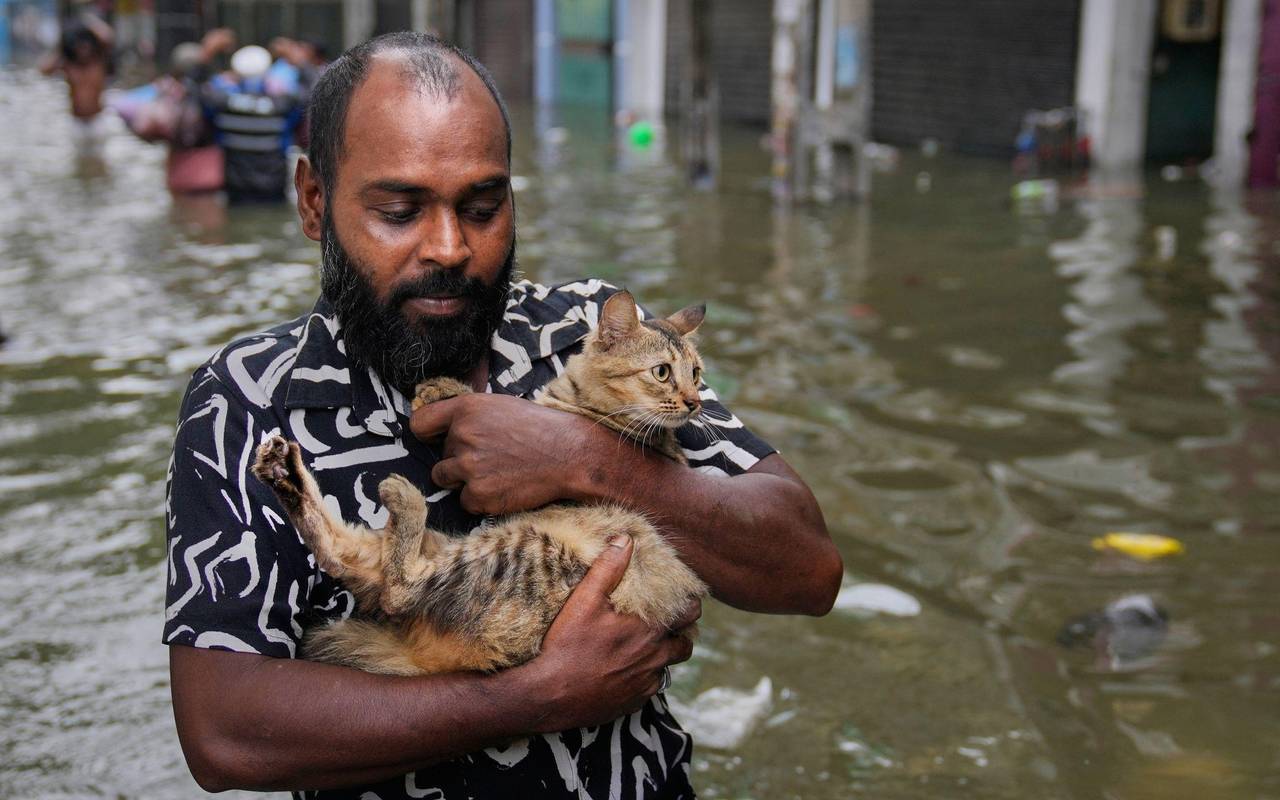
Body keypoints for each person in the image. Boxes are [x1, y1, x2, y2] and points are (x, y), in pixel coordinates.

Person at [164, 31, 841, 799]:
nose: (450, 247)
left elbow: (809, 571)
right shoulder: (248, 397)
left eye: (483, 207)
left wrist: (586, 459)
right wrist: (533, 697)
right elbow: (224, 732)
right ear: (315, 202)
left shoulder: (585, 331)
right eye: (399, 210)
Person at [198, 38, 307, 203]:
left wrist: (206, 53)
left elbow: (196, 89)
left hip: (236, 189)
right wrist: (299, 61)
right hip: (274, 188)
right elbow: (314, 92)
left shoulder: (222, 104)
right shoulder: (283, 105)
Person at [39, 11, 114, 157]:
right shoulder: (68, 65)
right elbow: (43, 70)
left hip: (98, 121)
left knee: (100, 161)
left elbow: (108, 36)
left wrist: (88, 20)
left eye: (86, 45)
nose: (83, 50)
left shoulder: (99, 61)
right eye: (79, 46)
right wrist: (62, 45)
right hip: (76, 123)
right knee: (78, 161)